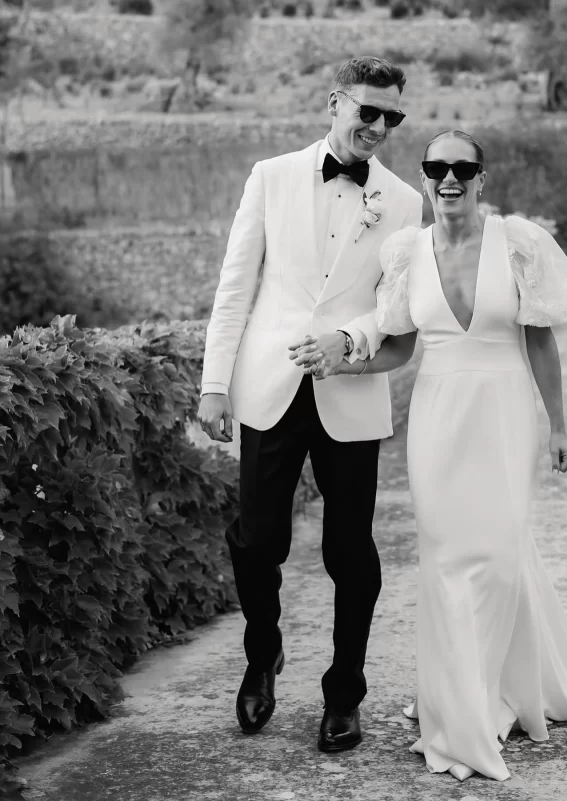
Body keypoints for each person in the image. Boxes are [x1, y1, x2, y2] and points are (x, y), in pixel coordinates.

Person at [297, 129, 567, 780]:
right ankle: (461, 712)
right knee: (448, 561)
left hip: (505, 411)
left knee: (503, 556)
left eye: (462, 167)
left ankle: (502, 684)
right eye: (436, 166)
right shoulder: (405, 253)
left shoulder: (520, 245)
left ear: (483, 177)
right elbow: (398, 345)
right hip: (438, 417)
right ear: (424, 177)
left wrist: (559, 425)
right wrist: (346, 364)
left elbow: (539, 343)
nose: (448, 177)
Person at [197, 56, 422, 753]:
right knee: (259, 540)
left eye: (392, 118)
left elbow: (395, 314)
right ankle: (262, 652)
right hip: (269, 387)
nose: (378, 128)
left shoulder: (406, 203)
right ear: (335, 103)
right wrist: (213, 382)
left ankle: (344, 690)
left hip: (349, 392)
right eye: (368, 112)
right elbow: (236, 287)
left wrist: (348, 341)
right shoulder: (271, 176)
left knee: (349, 548)